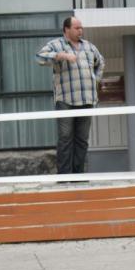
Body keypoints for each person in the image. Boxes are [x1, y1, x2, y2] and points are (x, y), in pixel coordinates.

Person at [36, 17, 105, 174]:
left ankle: (78, 176)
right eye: (76, 28)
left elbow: (100, 62)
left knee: (82, 140)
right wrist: (61, 56)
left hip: (87, 99)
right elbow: (39, 57)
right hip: (65, 100)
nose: (80, 30)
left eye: (81, 27)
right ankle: (64, 176)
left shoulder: (89, 46)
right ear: (66, 29)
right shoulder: (57, 44)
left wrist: (96, 79)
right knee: (65, 139)